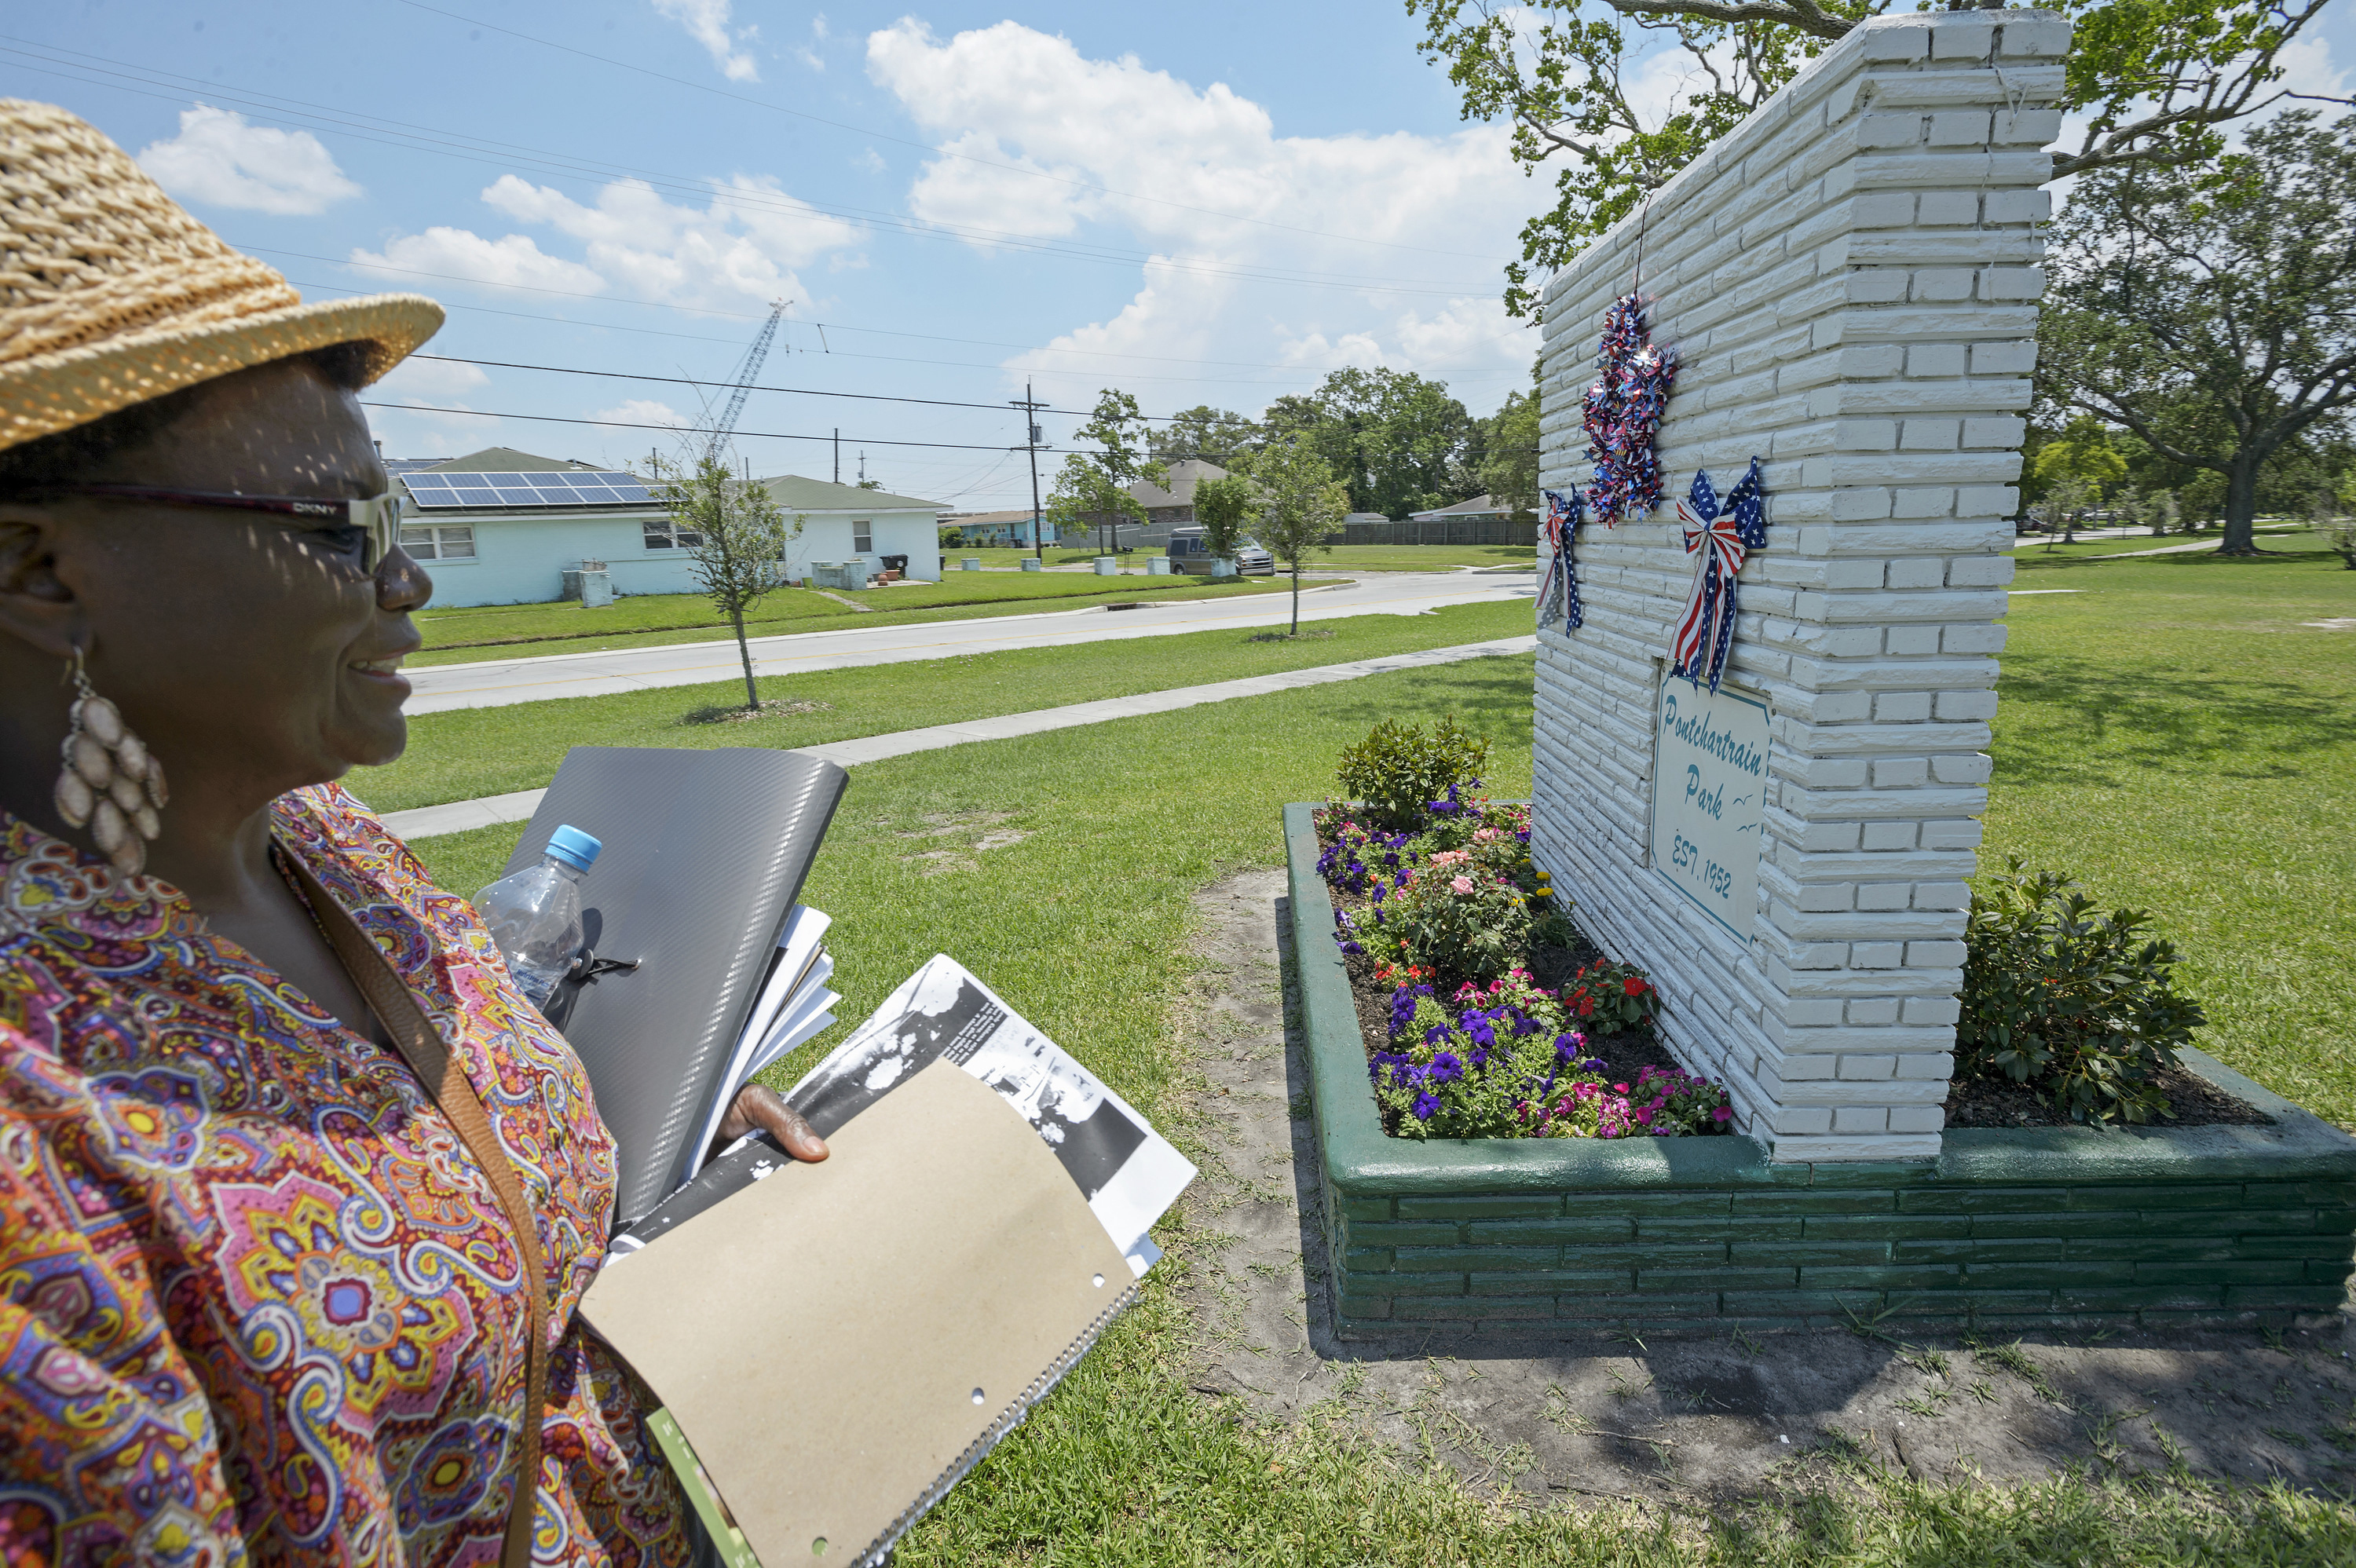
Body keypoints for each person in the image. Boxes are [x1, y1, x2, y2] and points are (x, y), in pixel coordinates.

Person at [0, 100, 826, 1565]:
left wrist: (676, 1181)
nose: (407, 585)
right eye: (334, 531)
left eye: (395, 521)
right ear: (42, 569)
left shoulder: (317, 839)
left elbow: (476, 1255)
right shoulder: (36, 1134)